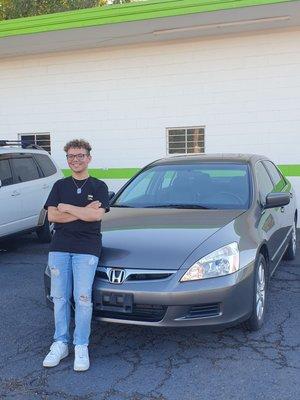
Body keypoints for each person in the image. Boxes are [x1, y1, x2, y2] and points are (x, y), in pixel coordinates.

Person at [42, 139, 109, 372]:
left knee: (82, 298)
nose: (75, 160)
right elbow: (52, 217)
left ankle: (81, 345)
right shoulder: (59, 186)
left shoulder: (98, 186)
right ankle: (60, 343)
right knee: (59, 297)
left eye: (80, 155)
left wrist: (67, 207)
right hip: (59, 247)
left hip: (87, 249)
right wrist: (81, 211)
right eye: (71, 156)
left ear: (89, 158)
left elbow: (96, 216)